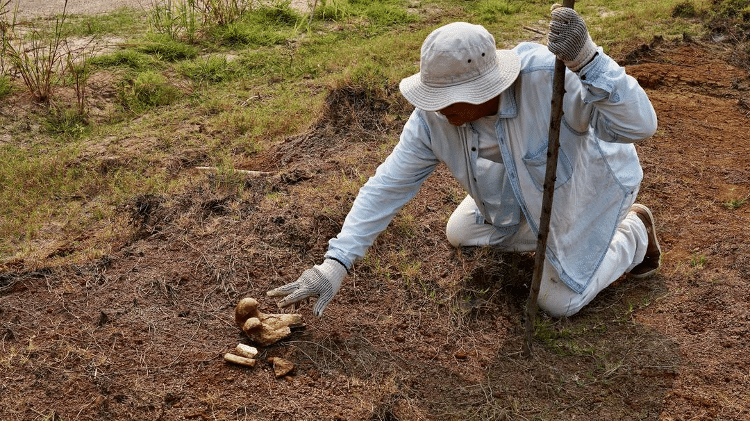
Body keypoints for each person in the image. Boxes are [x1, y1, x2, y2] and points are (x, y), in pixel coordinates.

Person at [267, 5, 661, 318]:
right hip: (531, 195)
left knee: (556, 303)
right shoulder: (433, 117)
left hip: (588, 193)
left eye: (449, 100)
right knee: (460, 232)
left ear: (486, 88)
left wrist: (588, 60)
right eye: (433, 97)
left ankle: (633, 235)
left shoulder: (548, 81)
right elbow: (388, 184)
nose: (438, 110)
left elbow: (640, 125)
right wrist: (336, 263)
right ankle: (549, 237)